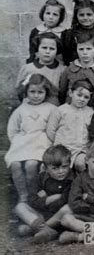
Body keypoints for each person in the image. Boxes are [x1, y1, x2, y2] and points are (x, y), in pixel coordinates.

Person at [6, 74, 57, 202]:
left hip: (40, 142)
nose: (36, 95)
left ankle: (33, 195)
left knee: (31, 164)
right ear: (26, 92)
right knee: (15, 164)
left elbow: (55, 127)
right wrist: (17, 142)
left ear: (46, 92)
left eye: (40, 92)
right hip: (23, 142)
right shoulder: (21, 109)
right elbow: (12, 129)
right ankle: (23, 194)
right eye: (32, 92)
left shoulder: (51, 109)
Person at [13, 145, 73, 243]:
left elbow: (64, 200)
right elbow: (31, 198)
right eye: (55, 168)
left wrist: (42, 199)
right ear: (46, 168)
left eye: (64, 167)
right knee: (20, 206)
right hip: (42, 213)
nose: (61, 171)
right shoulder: (42, 177)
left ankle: (35, 228)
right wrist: (47, 200)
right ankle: (45, 230)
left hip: (58, 217)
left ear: (69, 164)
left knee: (67, 208)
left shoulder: (72, 180)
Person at [47, 79, 94, 172]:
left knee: (81, 163)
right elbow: (51, 131)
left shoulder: (90, 112)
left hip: (81, 149)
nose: (82, 99)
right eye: (79, 95)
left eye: (86, 97)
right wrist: (60, 142)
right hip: (62, 147)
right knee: (58, 164)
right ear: (70, 93)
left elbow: (92, 131)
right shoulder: (60, 111)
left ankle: (82, 183)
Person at [58, 32, 94, 107]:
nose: (85, 52)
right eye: (81, 49)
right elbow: (62, 93)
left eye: (89, 49)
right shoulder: (69, 70)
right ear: (76, 50)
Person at [17, 32, 66, 105]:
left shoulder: (62, 70)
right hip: (30, 107)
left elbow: (63, 93)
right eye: (44, 48)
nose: (47, 51)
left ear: (57, 51)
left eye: (52, 49)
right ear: (37, 49)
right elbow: (20, 91)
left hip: (53, 108)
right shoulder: (27, 68)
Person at [61, 0, 94, 66]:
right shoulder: (70, 34)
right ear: (76, 16)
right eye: (81, 15)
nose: (85, 18)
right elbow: (67, 56)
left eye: (89, 14)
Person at [27, 0, 67, 64]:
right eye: (48, 13)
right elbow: (32, 53)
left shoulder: (66, 34)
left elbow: (68, 56)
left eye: (55, 14)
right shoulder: (35, 32)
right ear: (43, 14)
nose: (51, 17)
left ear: (60, 17)